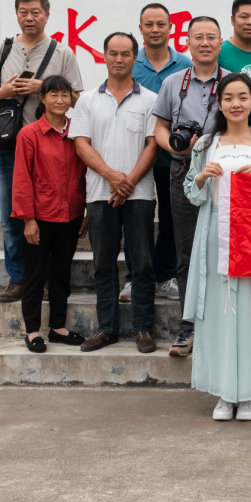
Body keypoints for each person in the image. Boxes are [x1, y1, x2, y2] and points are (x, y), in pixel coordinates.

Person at [183, 73, 251, 421]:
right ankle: (223, 392)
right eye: (228, 97)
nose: (236, 104)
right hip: (214, 235)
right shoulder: (205, 144)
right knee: (219, 312)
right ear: (219, 103)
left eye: (243, 97)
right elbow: (191, 191)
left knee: (250, 313)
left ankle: (250, 394)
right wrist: (202, 177)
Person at [0, 0, 83, 304]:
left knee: (47, 214)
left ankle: (45, 277)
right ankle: (18, 277)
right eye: (23, 12)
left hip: (48, 144)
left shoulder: (62, 53)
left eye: (35, 12)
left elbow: (78, 98)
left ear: (47, 15)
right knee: (11, 214)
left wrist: (43, 88)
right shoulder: (3, 48)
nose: (29, 18)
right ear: (17, 15)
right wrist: (4, 91)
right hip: (7, 145)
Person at [71, 32, 160, 354]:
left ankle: (143, 329)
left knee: (143, 264)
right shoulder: (87, 100)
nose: (119, 59)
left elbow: (153, 145)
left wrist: (129, 182)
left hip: (140, 195)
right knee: (103, 264)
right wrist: (111, 176)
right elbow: (81, 144)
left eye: (125, 54)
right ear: (104, 56)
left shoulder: (150, 100)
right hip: (99, 194)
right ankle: (106, 329)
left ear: (135, 58)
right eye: (113, 53)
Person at [153, 16, 225, 358]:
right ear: (187, 42)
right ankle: (188, 326)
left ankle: (221, 325)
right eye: (198, 37)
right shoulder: (172, 83)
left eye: (211, 37)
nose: (205, 43)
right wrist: (175, 146)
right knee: (186, 253)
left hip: (223, 174)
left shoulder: (232, 82)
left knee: (222, 250)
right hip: (183, 170)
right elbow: (160, 127)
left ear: (221, 42)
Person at [10, 75, 89, 353]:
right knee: (34, 276)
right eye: (53, 94)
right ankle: (32, 331)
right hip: (40, 217)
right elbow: (21, 178)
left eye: (65, 94)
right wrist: (28, 220)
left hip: (71, 215)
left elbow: (87, 173)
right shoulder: (29, 134)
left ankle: (57, 328)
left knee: (61, 273)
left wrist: (87, 211)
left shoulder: (78, 133)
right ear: (42, 98)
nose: (60, 100)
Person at [131, 3, 193, 307]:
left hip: (173, 157)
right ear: (140, 29)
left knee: (171, 220)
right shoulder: (131, 63)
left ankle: (165, 275)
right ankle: (134, 278)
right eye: (149, 24)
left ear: (171, 28)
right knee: (137, 220)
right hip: (137, 157)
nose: (155, 29)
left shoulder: (185, 64)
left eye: (161, 24)